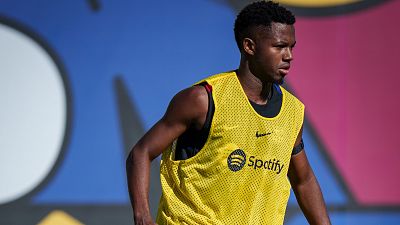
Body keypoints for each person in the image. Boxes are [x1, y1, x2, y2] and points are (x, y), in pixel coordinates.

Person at [126, 1, 331, 224]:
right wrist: (142, 215)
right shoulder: (202, 99)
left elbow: (304, 180)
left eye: (291, 47)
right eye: (279, 46)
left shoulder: (292, 112)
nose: (289, 55)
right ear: (249, 47)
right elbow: (141, 152)